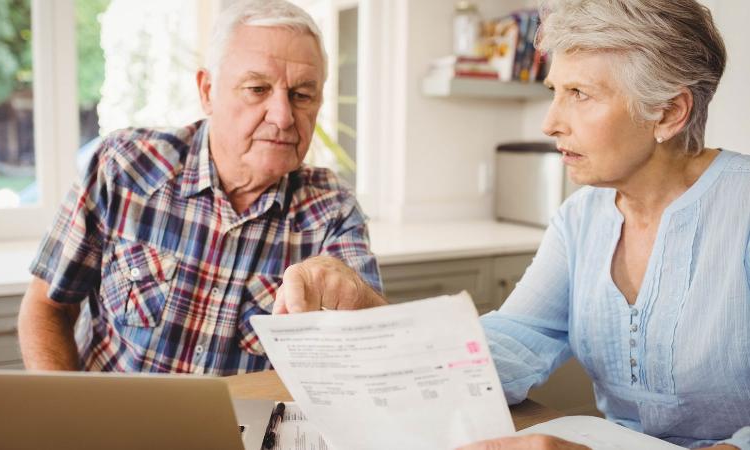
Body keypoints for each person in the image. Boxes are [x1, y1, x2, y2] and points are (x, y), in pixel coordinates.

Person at [276, 0, 750, 448]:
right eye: (555, 92)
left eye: (579, 94)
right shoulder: (580, 220)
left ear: (668, 112)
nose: (550, 123)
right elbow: (504, 346)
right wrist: (372, 317)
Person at [17, 0, 383, 375]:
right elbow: (48, 307)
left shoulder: (332, 208)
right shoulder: (123, 165)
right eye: (257, 89)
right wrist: (64, 420)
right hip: (110, 425)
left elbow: (376, 342)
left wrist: (350, 290)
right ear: (208, 91)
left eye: (302, 95)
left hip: (244, 431)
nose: (283, 116)